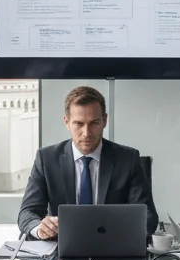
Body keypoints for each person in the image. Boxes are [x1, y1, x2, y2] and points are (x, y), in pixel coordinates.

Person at [17, 85, 158, 239]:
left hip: (113, 246)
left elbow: (148, 216)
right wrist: (40, 228)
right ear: (66, 122)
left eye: (94, 123)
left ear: (104, 121)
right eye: (78, 124)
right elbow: (27, 213)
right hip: (62, 248)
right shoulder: (46, 159)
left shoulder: (128, 159)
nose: (86, 133)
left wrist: (121, 234)